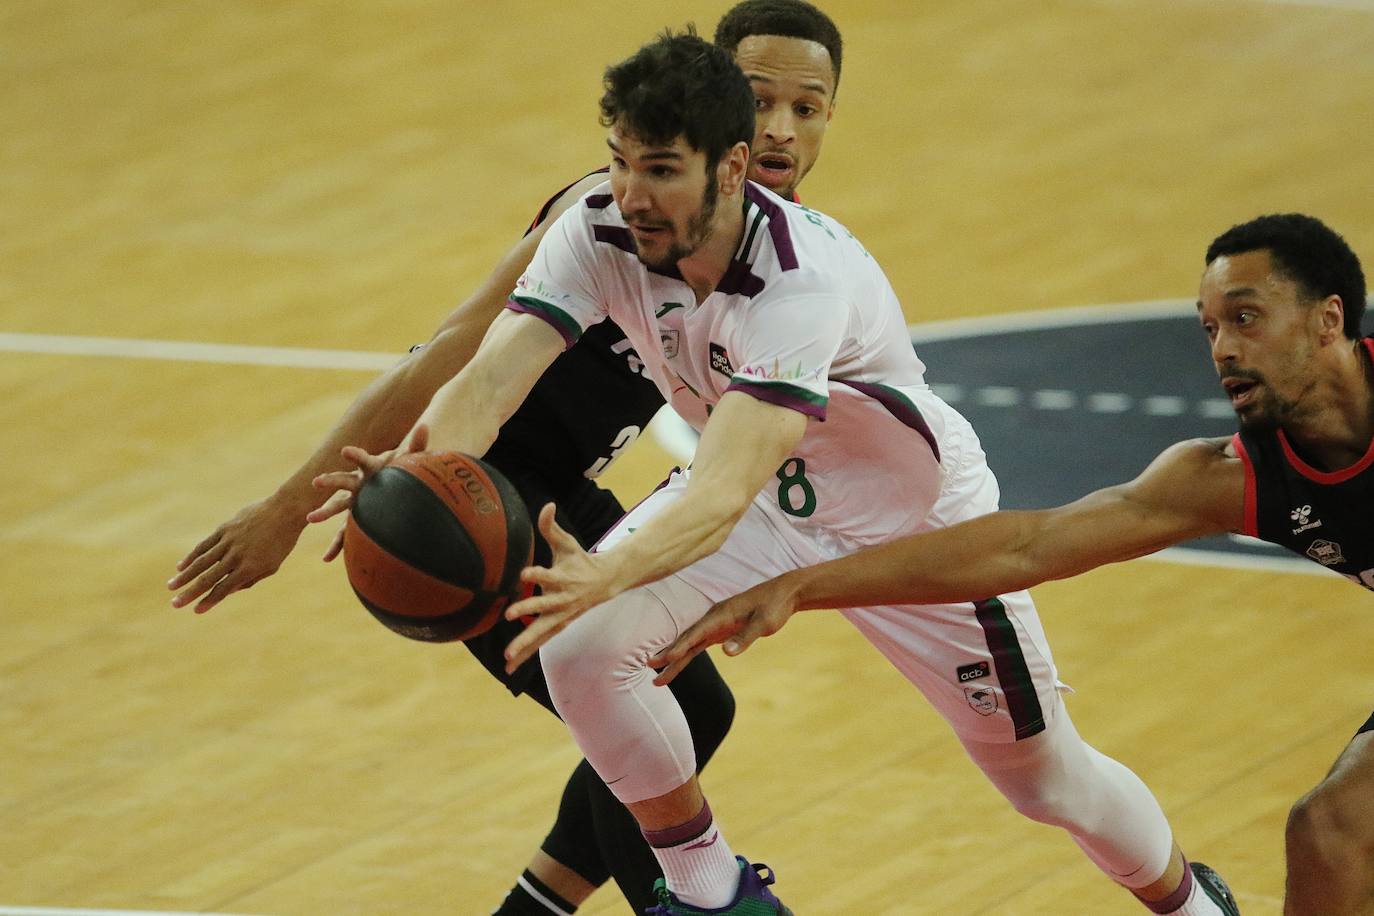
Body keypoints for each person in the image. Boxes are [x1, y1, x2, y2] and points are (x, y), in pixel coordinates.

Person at [314, 31, 1238, 916]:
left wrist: (607, 569)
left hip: (907, 519)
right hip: (764, 500)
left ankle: (1192, 903)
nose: (631, 193)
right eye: (622, 160)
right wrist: (418, 473)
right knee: (582, 649)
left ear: (728, 167)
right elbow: (491, 378)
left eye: (661, 170)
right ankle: (712, 894)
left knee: (1046, 781)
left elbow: (716, 493)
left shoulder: (799, 279)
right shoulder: (597, 225)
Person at [164, 3, 844, 912]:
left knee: (695, 709)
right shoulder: (605, 212)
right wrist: (287, 510)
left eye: (809, 107)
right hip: (472, 493)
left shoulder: (779, 248)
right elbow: (446, 356)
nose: (780, 129)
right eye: (760, 100)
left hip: (565, 490)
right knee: (649, 709)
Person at [656, 212, 1372, 915]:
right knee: (1329, 833)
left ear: (1328, 319)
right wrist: (798, 587)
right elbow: (1021, 546)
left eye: (1246, 318)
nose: (1222, 350)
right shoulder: (1229, 476)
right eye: (1210, 327)